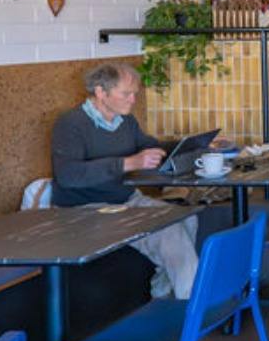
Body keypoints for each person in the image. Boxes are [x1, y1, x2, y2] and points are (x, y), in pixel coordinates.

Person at [50, 63, 202, 299]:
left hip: (126, 200)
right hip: (85, 210)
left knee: (186, 217)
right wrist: (128, 163)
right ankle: (193, 307)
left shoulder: (125, 122)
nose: (133, 100)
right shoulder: (70, 124)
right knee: (169, 231)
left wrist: (193, 145)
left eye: (135, 94)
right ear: (101, 92)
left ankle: (166, 293)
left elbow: (151, 148)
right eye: (126, 94)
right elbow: (68, 175)